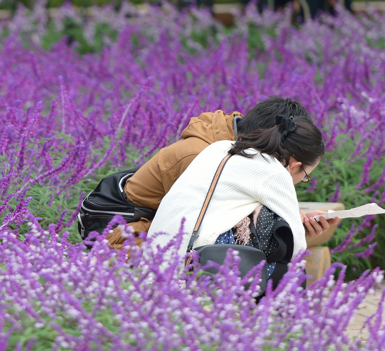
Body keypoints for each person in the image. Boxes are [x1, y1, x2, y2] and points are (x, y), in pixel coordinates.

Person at [120, 96, 337, 248]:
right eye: (305, 176)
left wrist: (295, 219)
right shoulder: (206, 154)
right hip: (124, 235)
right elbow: (196, 219)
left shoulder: (231, 147)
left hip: (162, 237)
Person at [146, 112, 329, 275]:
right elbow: (297, 249)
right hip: (192, 268)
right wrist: (300, 229)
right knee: (292, 272)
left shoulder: (219, 148)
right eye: (305, 176)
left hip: (153, 264)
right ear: (295, 165)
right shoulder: (274, 172)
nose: (301, 181)